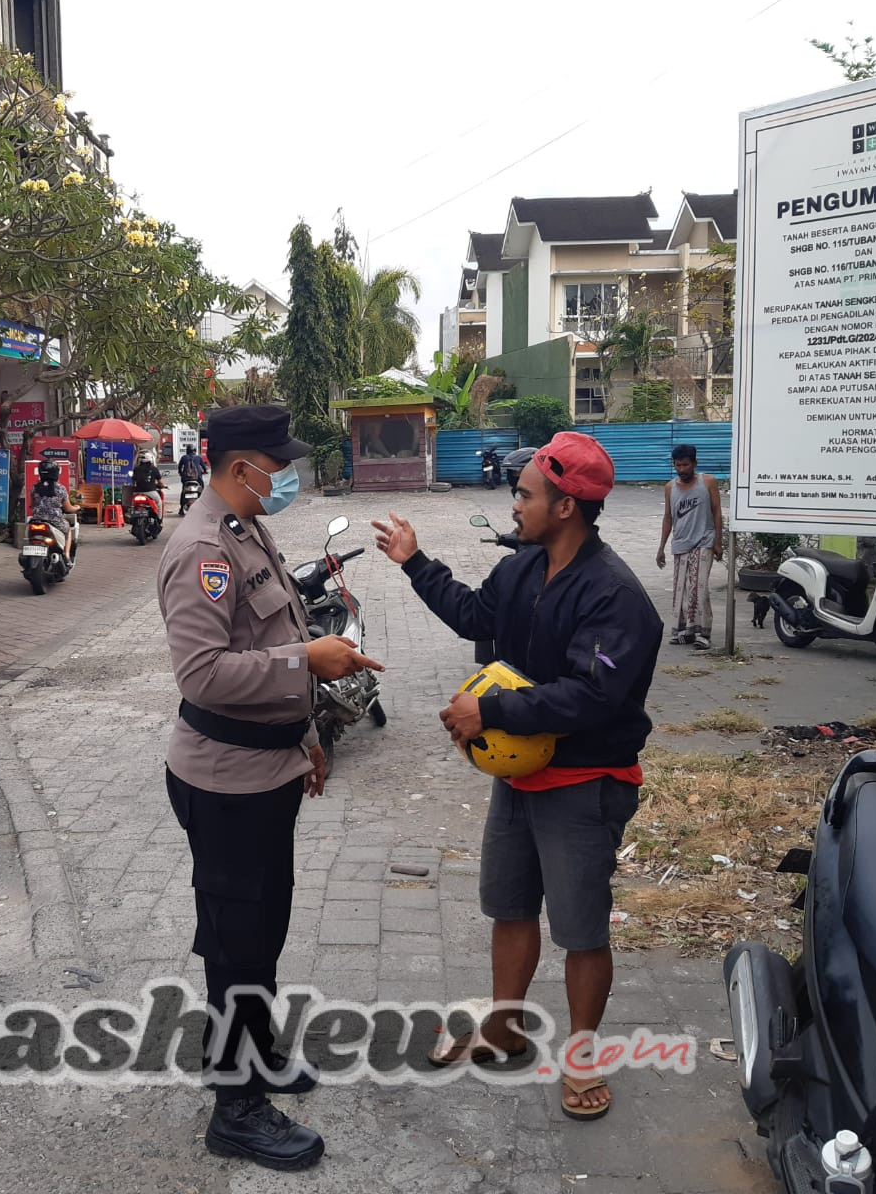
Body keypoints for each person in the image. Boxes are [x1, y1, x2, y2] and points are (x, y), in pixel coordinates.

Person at [372, 432, 661, 1123]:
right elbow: (475, 614)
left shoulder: (615, 595)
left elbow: (593, 696)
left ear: (565, 506)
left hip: (585, 782)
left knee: (581, 930)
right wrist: (417, 565)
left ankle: (582, 1056)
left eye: (526, 493)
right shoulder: (523, 569)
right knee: (507, 908)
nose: (515, 502)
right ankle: (503, 1028)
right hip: (521, 778)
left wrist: (490, 709)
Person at [157, 404, 383, 1171]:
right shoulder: (198, 550)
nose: (285, 474)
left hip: (269, 770)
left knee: (263, 932)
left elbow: (278, 634)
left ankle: (253, 1051)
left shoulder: (249, 528)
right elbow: (203, 673)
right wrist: (307, 664)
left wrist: (309, 737)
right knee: (235, 947)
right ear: (236, 464)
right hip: (223, 783)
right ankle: (236, 1106)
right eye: (275, 463)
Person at [656, 443, 723, 650]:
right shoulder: (670, 488)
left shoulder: (708, 482)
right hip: (681, 543)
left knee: (699, 588)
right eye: (678, 465)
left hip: (704, 541)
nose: (682, 469)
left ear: (695, 463)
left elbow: (717, 511)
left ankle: (704, 632)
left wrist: (718, 541)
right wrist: (661, 547)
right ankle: (686, 630)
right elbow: (668, 518)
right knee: (682, 589)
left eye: (685, 465)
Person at [29, 459, 79, 560]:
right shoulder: (60, 489)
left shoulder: (35, 488)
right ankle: (67, 555)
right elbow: (68, 508)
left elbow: (32, 504)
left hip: (36, 520)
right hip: (54, 521)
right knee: (68, 529)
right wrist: (77, 507)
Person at [132, 450, 166, 520]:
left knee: (133, 505)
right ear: (151, 459)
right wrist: (163, 485)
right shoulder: (154, 469)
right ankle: (159, 519)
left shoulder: (136, 469)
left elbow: (133, 481)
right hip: (150, 492)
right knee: (159, 502)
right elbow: (160, 482)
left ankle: (133, 517)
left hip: (137, 492)